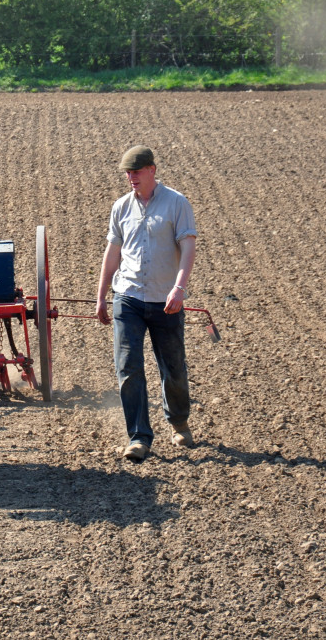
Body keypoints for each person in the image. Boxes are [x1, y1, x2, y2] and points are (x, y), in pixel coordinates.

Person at [95, 145, 197, 463]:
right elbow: (112, 253)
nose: (131, 178)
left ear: (152, 170)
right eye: (128, 173)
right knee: (128, 368)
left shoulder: (177, 204)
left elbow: (189, 248)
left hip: (165, 298)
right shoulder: (121, 207)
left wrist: (179, 289)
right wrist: (101, 296)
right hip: (128, 297)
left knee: (173, 368)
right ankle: (139, 437)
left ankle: (179, 422)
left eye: (136, 171)